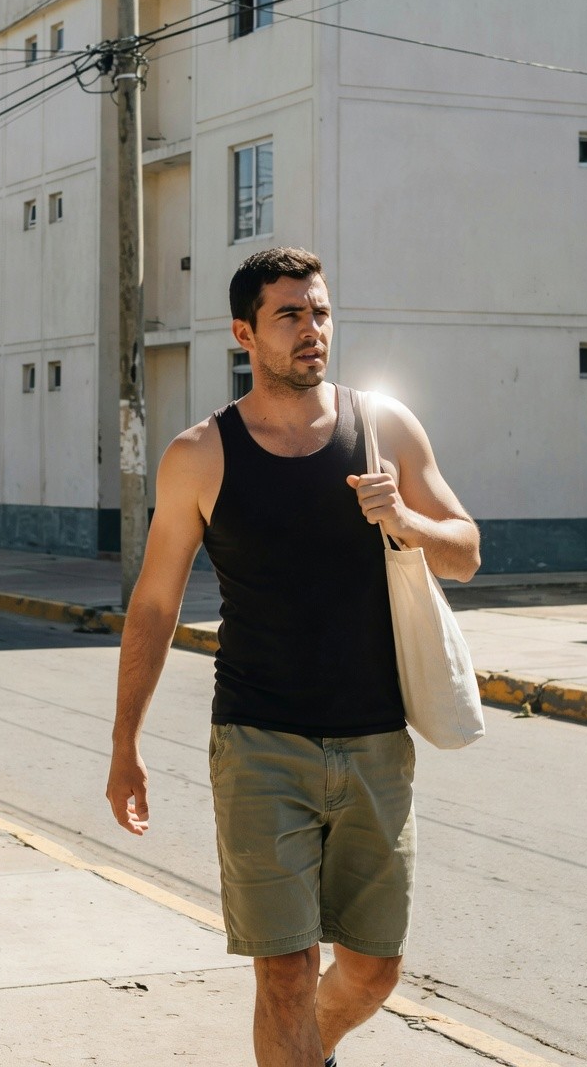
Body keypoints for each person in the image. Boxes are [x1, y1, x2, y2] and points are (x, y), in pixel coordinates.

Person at [106, 246, 480, 1067]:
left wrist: (408, 525)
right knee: (283, 971)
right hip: (258, 740)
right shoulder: (200, 455)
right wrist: (124, 742)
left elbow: (466, 550)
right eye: (290, 315)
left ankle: (308, 1049)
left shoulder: (384, 427)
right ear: (245, 333)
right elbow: (156, 604)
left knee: (374, 970)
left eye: (320, 312)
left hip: (378, 741)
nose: (313, 330)